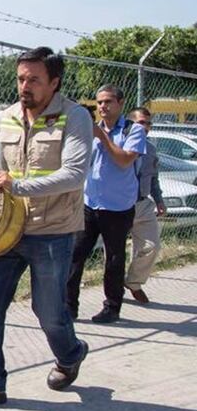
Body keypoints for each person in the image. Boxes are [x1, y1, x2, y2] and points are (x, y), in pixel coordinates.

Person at [0, 47, 92, 411]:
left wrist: (19, 184)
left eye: (34, 79)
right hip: (7, 232)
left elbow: (74, 174)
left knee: (48, 312)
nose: (24, 86)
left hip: (52, 231)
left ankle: (71, 353)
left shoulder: (75, 117)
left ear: (54, 82)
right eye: (20, 78)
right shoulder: (8, 117)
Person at [66, 85, 147, 324]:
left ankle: (112, 307)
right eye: (99, 102)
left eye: (108, 102)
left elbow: (124, 161)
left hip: (118, 207)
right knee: (75, 255)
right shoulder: (89, 130)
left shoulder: (134, 130)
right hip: (90, 203)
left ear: (120, 103)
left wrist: (101, 137)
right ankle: (68, 307)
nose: (103, 107)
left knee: (113, 259)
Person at [125, 107, 165, 303]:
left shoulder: (151, 149)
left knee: (152, 246)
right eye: (141, 123)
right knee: (113, 253)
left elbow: (154, 178)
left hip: (143, 204)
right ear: (131, 124)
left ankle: (133, 282)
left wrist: (159, 201)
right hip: (119, 205)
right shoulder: (120, 144)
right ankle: (112, 291)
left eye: (149, 123)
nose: (146, 127)